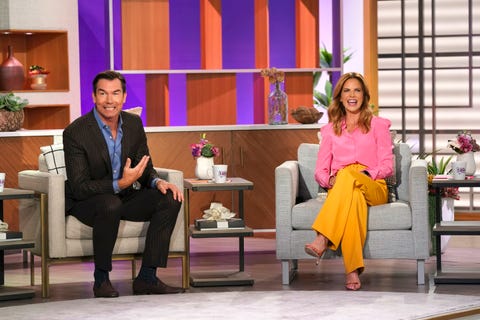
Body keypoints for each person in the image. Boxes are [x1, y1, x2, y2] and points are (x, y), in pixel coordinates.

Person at [63, 70, 185, 298]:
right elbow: (80, 186)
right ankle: (101, 280)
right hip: (88, 201)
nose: (110, 100)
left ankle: (147, 277)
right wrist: (120, 183)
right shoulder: (75, 132)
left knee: (169, 198)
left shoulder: (133, 123)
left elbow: (144, 166)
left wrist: (157, 181)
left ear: (124, 97)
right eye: (103, 93)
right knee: (110, 204)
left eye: (115, 93)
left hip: (125, 196)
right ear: (93, 96)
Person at [304, 72, 393, 291]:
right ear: (340, 97)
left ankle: (323, 237)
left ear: (364, 96)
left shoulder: (378, 125)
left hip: (373, 184)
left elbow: (388, 166)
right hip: (343, 188)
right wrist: (330, 179)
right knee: (351, 198)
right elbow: (320, 171)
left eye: (357, 90)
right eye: (347, 90)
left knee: (348, 175)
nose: (352, 95)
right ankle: (351, 271)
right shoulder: (330, 130)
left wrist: (366, 174)